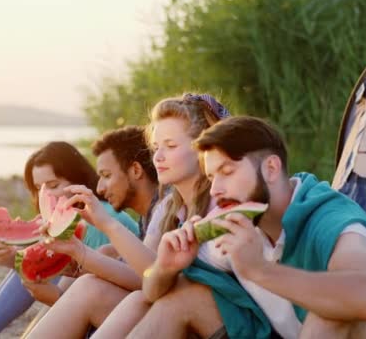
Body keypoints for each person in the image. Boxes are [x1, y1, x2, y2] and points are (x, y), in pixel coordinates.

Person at [131, 116, 366, 338]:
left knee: (334, 312)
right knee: (182, 295)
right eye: (211, 176)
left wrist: (261, 270)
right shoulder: (240, 224)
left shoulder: (330, 218)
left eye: (227, 172)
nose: (216, 189)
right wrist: (165, 268)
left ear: (270, 169)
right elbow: (152, 291)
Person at [24, 93, 229, 338]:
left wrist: (107, 224)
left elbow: (153, 283)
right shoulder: (168, 208)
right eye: (156, 148)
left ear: (204, 150)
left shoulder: (224, 201)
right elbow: (145, 277)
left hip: (213, 320)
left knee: (142, 299)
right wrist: (79, 251)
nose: (158, 157)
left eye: (171, 146)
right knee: (92, 288)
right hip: (171, 312)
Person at [0, 141, 139, 339]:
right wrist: (13, 260)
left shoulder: (96, 219)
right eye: (39, 188)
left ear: (78, 179)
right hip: (87, 304)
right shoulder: (68, 221)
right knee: (31, 262)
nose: (45, 195)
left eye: (53, 185)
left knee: (32, 263)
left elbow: (80, 297)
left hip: (113, 317)